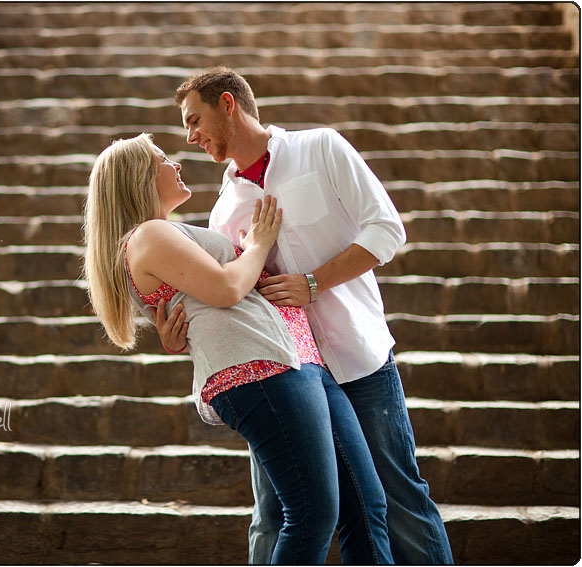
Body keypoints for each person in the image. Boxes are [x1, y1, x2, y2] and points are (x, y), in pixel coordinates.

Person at [159, 66, 454, 564]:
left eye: (194, 120)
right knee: (272, 515)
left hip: (359, 359)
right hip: (284, 375)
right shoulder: (224, 210)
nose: (191, 137)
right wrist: (179, 337)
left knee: (397, 495)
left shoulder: (322, 148)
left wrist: (313, 283)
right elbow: (228, 294)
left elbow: (386, 230)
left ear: (228, 104)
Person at [83, 133, 393, 564]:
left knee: (365, 505)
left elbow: (200, 300)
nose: (176, 164)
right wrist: (260, 244)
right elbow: (228, 288)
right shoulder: (149, 235)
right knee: (313, 512)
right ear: (138, 176)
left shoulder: (166, 234)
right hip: (260, 371)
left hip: (300, 360)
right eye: (162, 159)